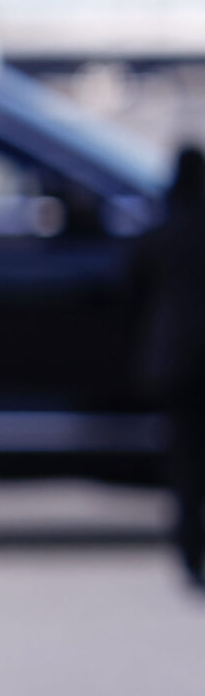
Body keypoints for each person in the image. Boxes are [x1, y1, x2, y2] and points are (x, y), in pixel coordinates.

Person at [130, 145, 205, 588]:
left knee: (185, 460)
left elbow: (132, 294)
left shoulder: (160, 232)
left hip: (176, 363)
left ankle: (190, 548)